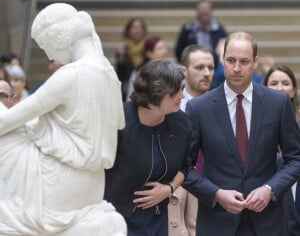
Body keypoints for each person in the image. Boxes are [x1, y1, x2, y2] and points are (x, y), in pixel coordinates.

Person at [0, 3, 127, 235]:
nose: (49, 56)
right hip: (93, 184)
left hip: (58, 184)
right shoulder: (109, 74)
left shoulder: (70, 76)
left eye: (46, 47)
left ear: (60, 39)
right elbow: (119, 122)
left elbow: (5, 123)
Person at [184, 31, 300, 236]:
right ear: (222, 60)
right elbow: (185, 167)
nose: (236, 68)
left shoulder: (278, 103)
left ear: (255, 62)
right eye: (231, 60)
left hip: (268, 221)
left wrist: (270, 189)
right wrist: (216, 194)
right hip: (217, 222)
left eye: (244, 61)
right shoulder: (198, 108)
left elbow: (295, 159)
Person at [104, 60, 192, 236]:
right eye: (176, 91)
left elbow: (186, 165)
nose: (182, 96)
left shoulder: (181, 123)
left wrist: (169, 189)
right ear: (156, 94)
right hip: (114, 218)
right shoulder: (118, 120)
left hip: (157, 218)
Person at [168, 45, 215, 236]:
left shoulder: (219, 105)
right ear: (183, 71)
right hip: (174, 185)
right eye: (200, 67)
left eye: (211, 68)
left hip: (208, 186)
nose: (206, 73)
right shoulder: (170, 105)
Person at [264, 64, 300, 235]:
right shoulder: (256, 126)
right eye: (274, 83)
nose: (280, 88)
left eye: (285, 83)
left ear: (293, 90)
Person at [174, 0, 227, 66]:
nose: (204, 11)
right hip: (193, 65)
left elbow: (225, 49)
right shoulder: (187, 29)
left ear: (211, 11)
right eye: (201, 8)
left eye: (207, 8)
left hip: (215, 65)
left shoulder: (219, 29)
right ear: (197, 11)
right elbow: (179, 51)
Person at [126, 36, 169, 101]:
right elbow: (130, 96)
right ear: (149, 53)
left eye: (165, 47)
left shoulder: (170, 70)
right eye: (160, 49)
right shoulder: (140, 72)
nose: (164, 51)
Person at [115, 17, 147, 101]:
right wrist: (120, 59)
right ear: (128, 30)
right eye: (134, 27)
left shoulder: (148, 48)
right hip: (126, 90)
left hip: (145, 90)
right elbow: (119, 75)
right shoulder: (122, 49)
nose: (137, 30)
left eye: (139, 27)